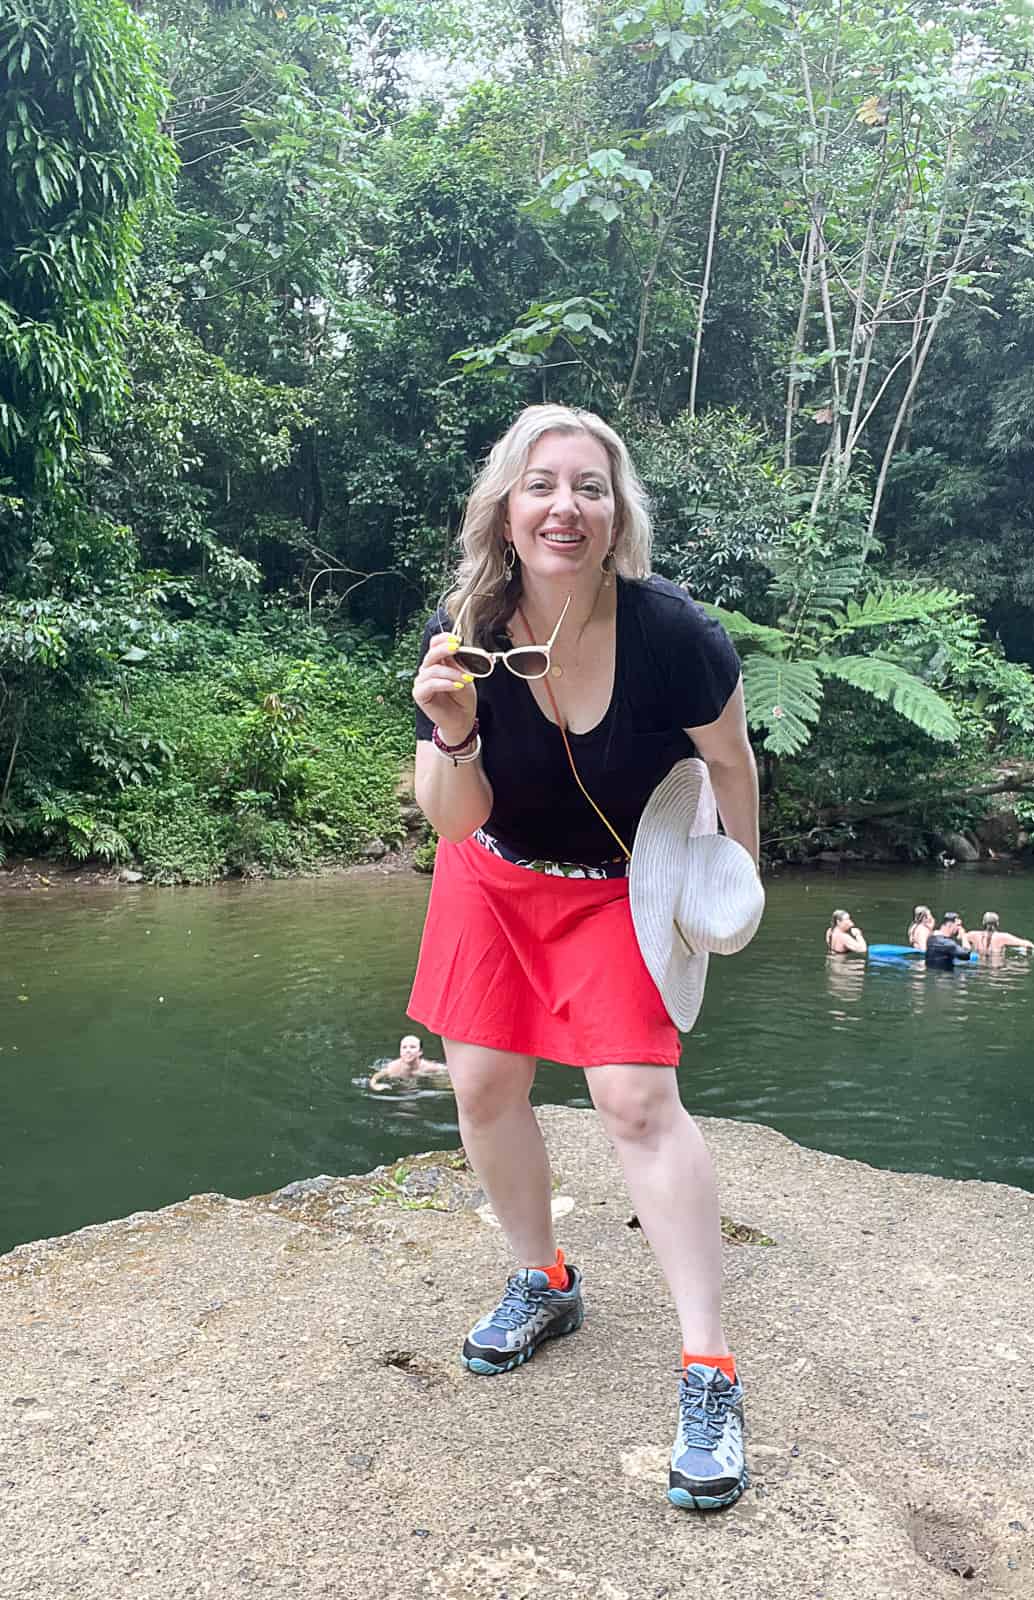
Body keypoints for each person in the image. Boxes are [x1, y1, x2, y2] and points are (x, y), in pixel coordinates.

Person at [406, 403, 760, 1513]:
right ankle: (544, 1278)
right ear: (506, 512)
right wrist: (454, 729)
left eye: (591, 488)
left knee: (637, 1102)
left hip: (624, 882)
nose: (567, 506)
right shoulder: (467, 624)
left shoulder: (674, 634)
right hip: (494, 870)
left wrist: (730, 881)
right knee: (482, 1081)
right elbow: (451, 821)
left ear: (617, 516)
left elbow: (734, 760)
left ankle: (709, 1368)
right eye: (543, 485)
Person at [369, 1035, 445, 1090]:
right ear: (400, 1052)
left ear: (420, 1052)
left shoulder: (428, 1067)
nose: (408, 1050)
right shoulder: (394, 1068)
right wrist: (376, 1086)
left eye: (412, 1047)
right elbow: (375, 1078)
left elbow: (446, 1071)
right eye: (404, 1047)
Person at [966, 912, 1034, 957]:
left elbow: (959, 936)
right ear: (997, 924)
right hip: (996, 965)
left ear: (983, 922)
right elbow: (1029, 945)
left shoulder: (973, 935)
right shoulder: (1003, 937)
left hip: (978, 965)